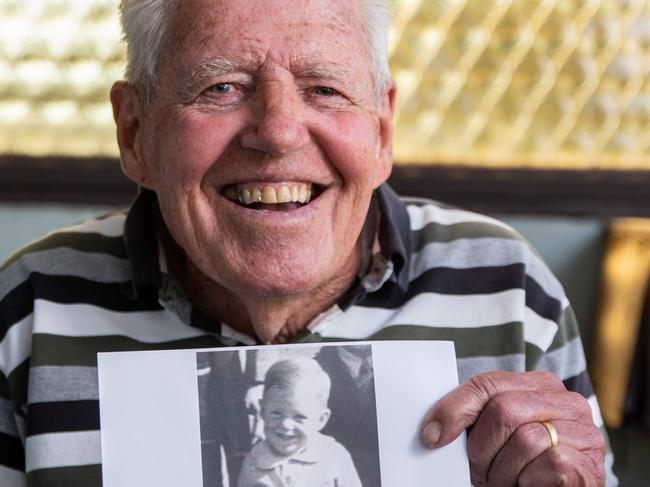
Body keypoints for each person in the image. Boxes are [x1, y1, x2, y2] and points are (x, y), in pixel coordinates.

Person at [0, 0, 614, 486]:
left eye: (324, 88)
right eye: (221, 87)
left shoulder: (507, 285)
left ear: (382, 128)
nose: (279, 132)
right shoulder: (30, 305)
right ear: (135, 133)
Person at [237, 358, 361, 487]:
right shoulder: (255, 460)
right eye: (276, 413)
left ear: (321, 419)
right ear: (262, 410)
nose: (286, 424)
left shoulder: (334, 456)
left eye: (299, 417)